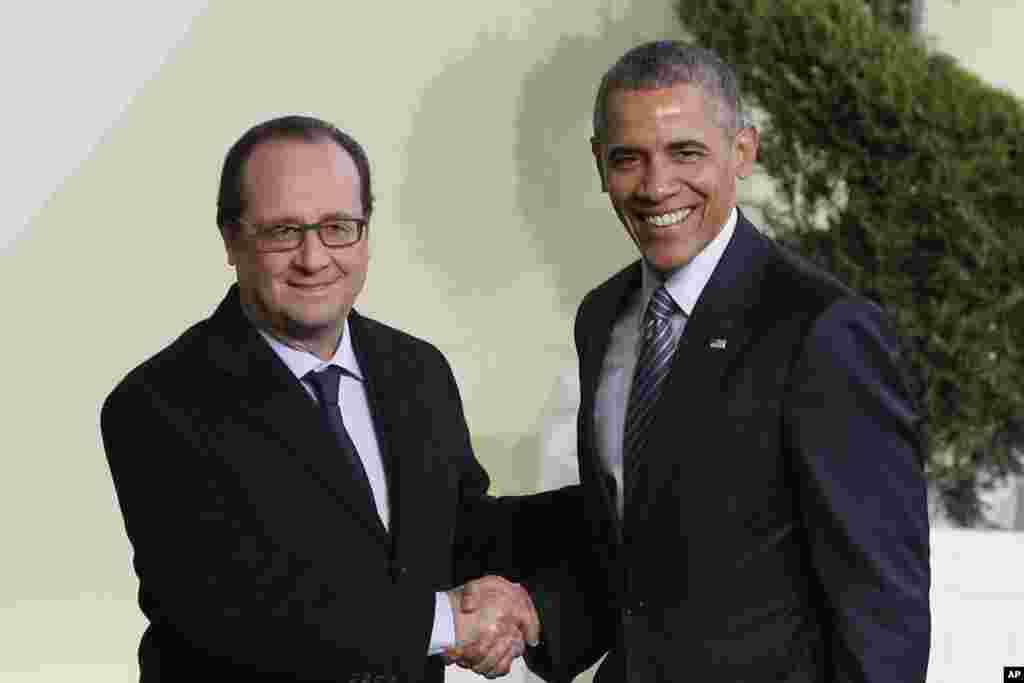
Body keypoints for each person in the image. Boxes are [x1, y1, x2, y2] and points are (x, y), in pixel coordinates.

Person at [519, 41, 931, 682]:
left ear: (743, 150)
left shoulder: (823, 328)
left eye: (686, 153)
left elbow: (882, 607)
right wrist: (533, 616)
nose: (656, 187)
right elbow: (634, 547)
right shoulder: (603, 316)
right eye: (629, 158)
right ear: (599, 163)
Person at [100, 115, 543, 682]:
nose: (314, 258)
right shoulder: (158, 406)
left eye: (339, 227)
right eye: (284, 232)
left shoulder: (417, 371)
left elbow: (464, 535)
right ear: (231, 240)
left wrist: (618, 498)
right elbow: (231, 611)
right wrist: (446, 623)